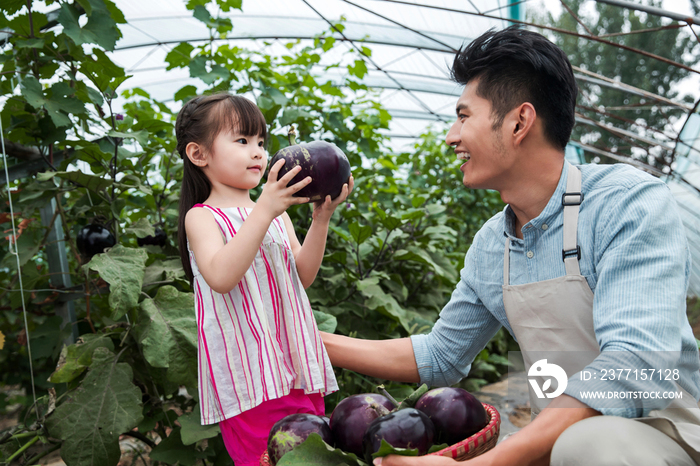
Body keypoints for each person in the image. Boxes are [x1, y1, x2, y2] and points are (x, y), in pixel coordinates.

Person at [321, 26, 700, 465]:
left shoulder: (625, 203)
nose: (451, 136)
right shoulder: (491, 245)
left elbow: (634, 362)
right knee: (573, 444)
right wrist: (310, 340)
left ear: (519, 122)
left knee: (589, 443)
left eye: (464, 116)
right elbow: (441, 355)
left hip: (664, 433)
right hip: (555, 443)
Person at [175, 93, 352, 466]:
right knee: (267, 458)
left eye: (260, 142)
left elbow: (301, 277)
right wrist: (267, 208)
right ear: (199, 154)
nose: (258, 152)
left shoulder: (276, 213)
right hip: (248, 375)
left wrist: (321, 218)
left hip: (295, 363)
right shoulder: (202, 217)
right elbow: (221, 276)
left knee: (311, 456)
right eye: (242, 141)